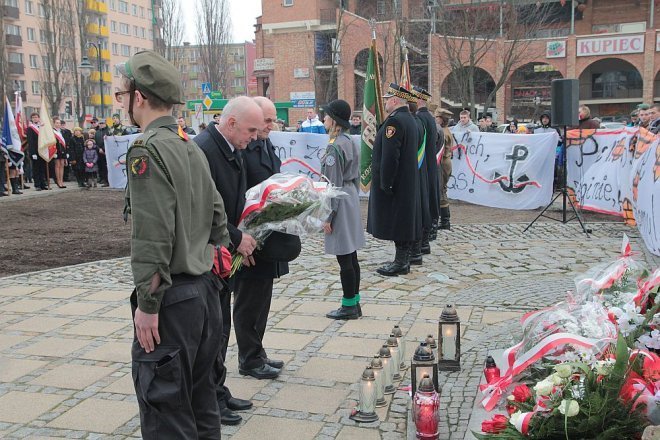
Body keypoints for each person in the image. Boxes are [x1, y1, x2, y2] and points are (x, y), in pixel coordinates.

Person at [118, 50, 230, 439]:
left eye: (122, 94)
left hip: (173, 303)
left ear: (140, 98)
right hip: (204, 297)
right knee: (202, 407)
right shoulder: (189, 146)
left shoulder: (147, 150)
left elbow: (152, 235)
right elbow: (218, 218)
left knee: (167, 414)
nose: (122, 103)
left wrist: (148, 306)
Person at [194, 96, 261, 425]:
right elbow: (205, 208)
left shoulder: (232, 147)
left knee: (221, 328)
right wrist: (237, 238)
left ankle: (218, 391)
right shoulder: (204, 150)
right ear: (231, 123)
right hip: (209, 255)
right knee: (211, 334)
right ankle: (208, 400)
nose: (254, 137)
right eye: (251, 129)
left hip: (225, 253)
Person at [233, 96, 290, 377]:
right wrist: (243, 239)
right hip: (250, 237)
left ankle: (258, 350)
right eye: (265, 121)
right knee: (248, 301)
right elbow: (240, 194)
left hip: (268, 234)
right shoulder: (245, 148)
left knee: (262, 298)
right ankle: (249, 358)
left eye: (271, 120)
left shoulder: (266, 144)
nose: (269, 125)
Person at [367, 83, 421, 276]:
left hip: (397, 181)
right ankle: (403, 259)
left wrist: (386, 181)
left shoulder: (394, 122)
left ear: (395, 100)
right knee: (404, 219)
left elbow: (391, 155)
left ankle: (401, 262)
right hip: (407, 180)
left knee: (399, 221)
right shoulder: (410, 120)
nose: (385, 103)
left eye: (387, 99)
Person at [320, 99, 365, 319]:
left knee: (344, 258)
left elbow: (332, 185)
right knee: (351, 255)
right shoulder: (349, 141)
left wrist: (328, 215)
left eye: (327, 116)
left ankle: (348, 306)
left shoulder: (335, 146)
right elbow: (354, 178)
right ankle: (355, 302)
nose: (324, 119)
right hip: (350, 198)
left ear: (334, 120)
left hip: (339, 202)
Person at [413, 86, 439, 254]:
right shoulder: (430, 117)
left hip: (423, 164)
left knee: (423, 205)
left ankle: (422, 242)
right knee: (428, 202)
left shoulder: (420, 118)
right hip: (430, 165)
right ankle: (425, 242)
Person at [434, 107, 454, 230]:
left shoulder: (443, 132)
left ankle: (445, 221)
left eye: (437, 117)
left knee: (441, 191)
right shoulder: (446, 130)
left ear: (441, 120)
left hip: (442, 162)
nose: (435, 119)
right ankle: (444, 220)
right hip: (445, 162)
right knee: (442, 190)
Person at [27, 112, 48, 191]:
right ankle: (37, 185)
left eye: (36, 117)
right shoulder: (30, 128)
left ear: (39, 118)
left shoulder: (41, 127)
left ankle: (43, 184)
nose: (35, 118)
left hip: (42, 150)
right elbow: (30, 141)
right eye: (33, 117)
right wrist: (33, 153)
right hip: (35, 151)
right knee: (36, 169)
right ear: (31, 119)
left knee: (42, 168)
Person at [52, 117, 68, 188]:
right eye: (57, 123)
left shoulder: (62, 131)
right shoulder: (52, 131)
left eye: (59, 123)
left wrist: (66, 152)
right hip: (56, 150)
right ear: (54, 123)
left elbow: (65, 142)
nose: (58, 124)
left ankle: (62, 181)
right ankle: (58, 181)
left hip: (63, 150)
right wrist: (53, 152)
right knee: (57, 165)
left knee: (62, 165)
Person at [94, 120, 110, 186]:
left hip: (107, 151)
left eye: (102, 123)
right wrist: (99, 148)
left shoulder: (108, 131)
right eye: (100, 123)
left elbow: (109, 141)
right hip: (99, 152)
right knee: (101, 166)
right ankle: (102, 179)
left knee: (106, 167)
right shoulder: (97, 132)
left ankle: (107, 180)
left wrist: (103, 149)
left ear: (105, 124)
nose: (101, 125)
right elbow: (95, 142)